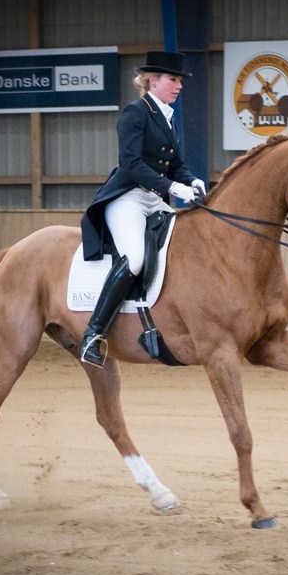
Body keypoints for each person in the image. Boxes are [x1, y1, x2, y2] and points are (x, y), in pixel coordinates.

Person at [78, 50, 206, 368]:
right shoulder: (136, 112)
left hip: (153, 198)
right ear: (153, 80)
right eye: (173, 80)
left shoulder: (167, 116)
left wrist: (194, 181)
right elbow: (131, 163)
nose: (179, 86)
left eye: (179, 80)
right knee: (134, 258)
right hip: (127, 198)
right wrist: (172, 189)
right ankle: (93, 335)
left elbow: (175, 165)